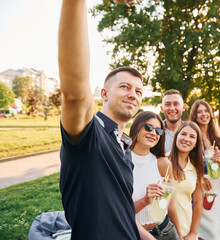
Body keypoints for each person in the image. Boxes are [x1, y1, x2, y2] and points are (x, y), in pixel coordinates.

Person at [58, 0, 154, 239]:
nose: (133, 94)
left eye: (139, 91)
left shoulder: (123, 143)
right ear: (104, 93)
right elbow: (75, 92)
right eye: (125, 86)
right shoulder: (89, 135)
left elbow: (120, 212)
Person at [129, 111, 182, 239]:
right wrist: (145, 200)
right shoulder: (120, 163)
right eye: (148, 127)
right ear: (136, 126)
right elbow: (119, 211)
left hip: (165, 232)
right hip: (133, 234)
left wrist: (180, 236)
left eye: (158, 131)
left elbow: (170, 204)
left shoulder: (163, 164)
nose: (153, 133)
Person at [189, 100, 220, 240]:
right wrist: (199, 177)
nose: (203, 114)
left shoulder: (217, 137)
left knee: (214, 229)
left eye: (206, 111)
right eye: (199, 111)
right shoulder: (192, 136)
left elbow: (219, 166)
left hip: (215, 187)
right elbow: (186, 162)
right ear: (194, 115)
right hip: (198, 186)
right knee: (199, 228)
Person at [169, 122, 204, 240]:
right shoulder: (162, 161)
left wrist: (193, 232)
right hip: (164, 229)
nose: (186, 139)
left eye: (192, 137)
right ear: (176, 136)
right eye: (183, 134)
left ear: (195, 144)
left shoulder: (196, 168)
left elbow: (198, 203)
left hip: (186, 230)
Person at [161, 89, 186, 154]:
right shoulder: (155, 132)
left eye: (176, 104)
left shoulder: (192, 133)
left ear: (183, 107)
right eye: (167, 104)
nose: (172, 108)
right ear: (162, 108)